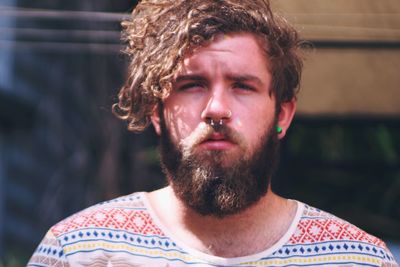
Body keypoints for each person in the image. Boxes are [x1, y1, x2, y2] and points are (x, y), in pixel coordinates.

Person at [28, 0, 398, 266]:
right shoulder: (79, 251)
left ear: (282, 113)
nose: (217, 109)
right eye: (192, 84)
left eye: (242, 86)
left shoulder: (356, 259)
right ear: (157, 111)